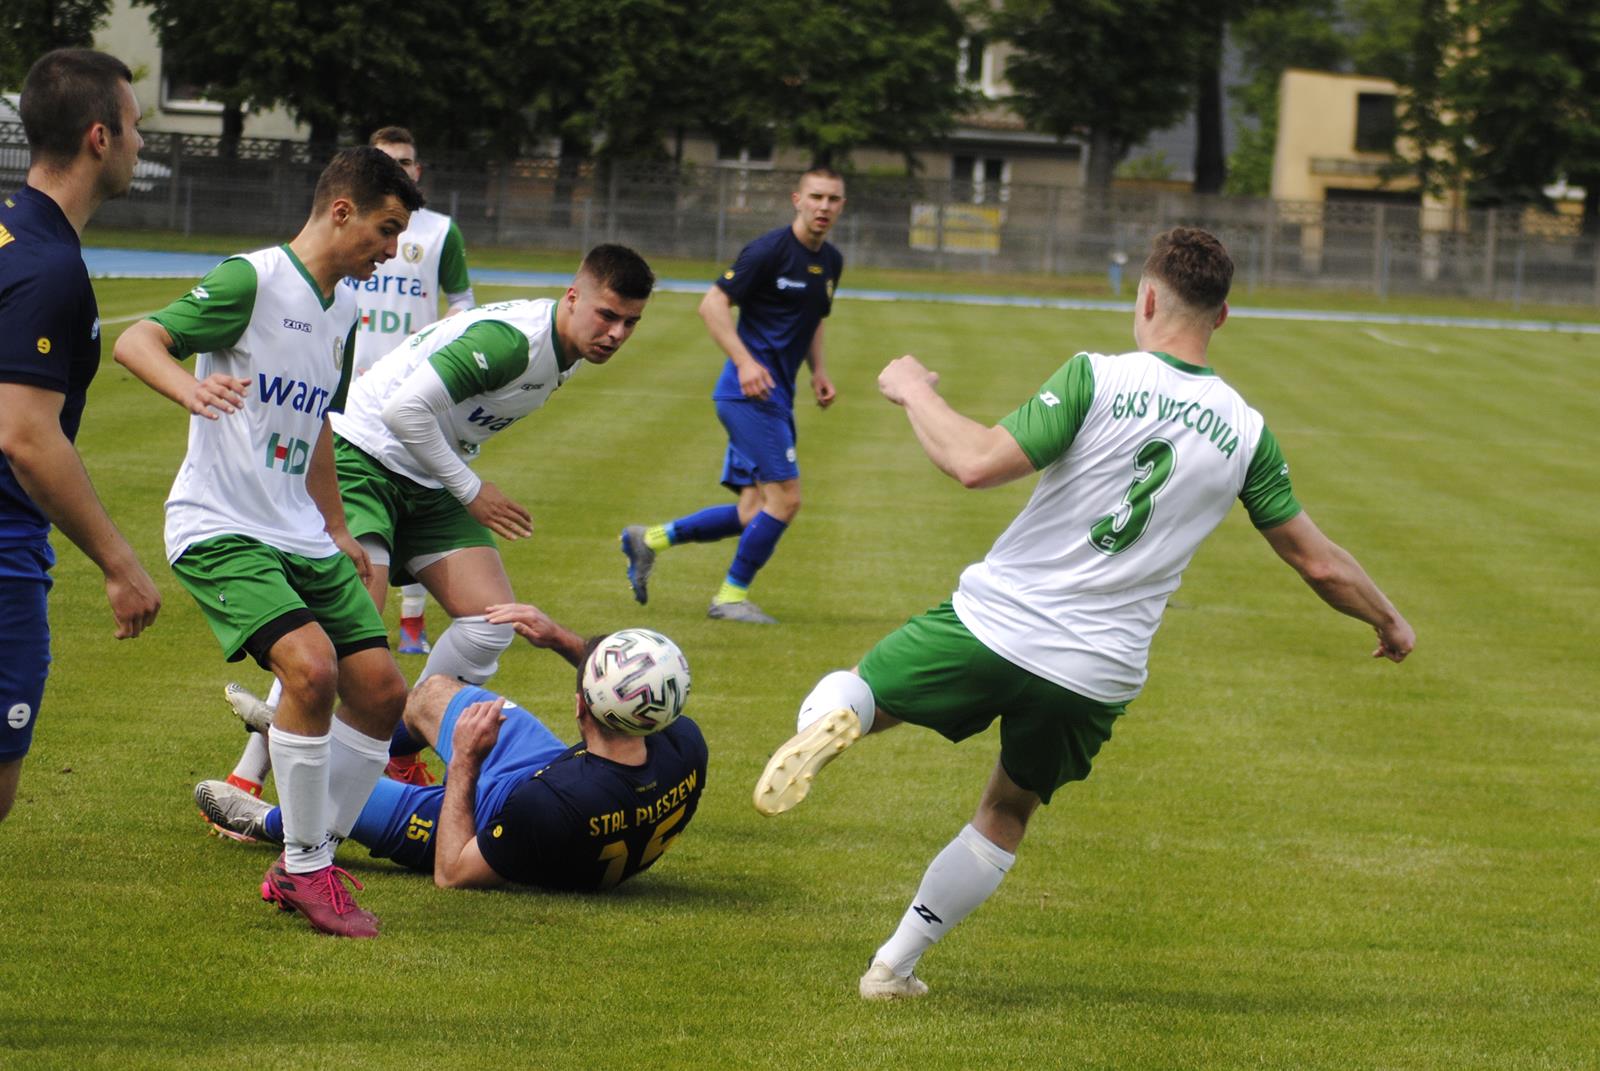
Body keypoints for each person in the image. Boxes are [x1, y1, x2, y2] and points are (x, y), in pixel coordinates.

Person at [750, 227, 1417, 999]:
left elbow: (973, 463)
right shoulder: (1247, 431)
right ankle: (893, 966)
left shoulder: (1096, 377)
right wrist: (1388, 619)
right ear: (1223, 316)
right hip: (1094, 671)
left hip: (995, 624)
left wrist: (911, 387)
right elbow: (1317, 559)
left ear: (1146, 297)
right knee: (1004, 810)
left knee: (861, 689)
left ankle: (839, 721)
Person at [113, 146, 426, 937]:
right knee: (312, 670)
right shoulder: (253, 279)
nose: (391, 251)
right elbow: (138, 340)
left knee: (384, 693)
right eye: (386, 230)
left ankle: (299, 859)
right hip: (219, 525)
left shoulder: (345, 312)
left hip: (298, 530)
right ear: (343, 210)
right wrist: (190, 384)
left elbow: (316, 422)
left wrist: (338, 525)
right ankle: (312, 872)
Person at [214, 244, 654, 798]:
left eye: (630, 323)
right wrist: (472, 490)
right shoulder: (514, 341)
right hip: (364, 456)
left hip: (426, 475)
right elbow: (404, 411)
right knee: (351, 636)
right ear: (573, 297)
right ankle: (246, 777)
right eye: (607, 315)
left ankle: (401, 744)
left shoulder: (564, 352)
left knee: (491, 622)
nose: (615, 333)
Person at [195, 604, 708, 892]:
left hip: (495, 823)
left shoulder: (547, 805)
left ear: (579, 707)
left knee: (337, 794)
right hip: (548, 776)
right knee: (433, 694)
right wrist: (560, 640)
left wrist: (464, 758)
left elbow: (453, 873)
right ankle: (334, 741)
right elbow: (636, 689)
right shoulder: (684, 744)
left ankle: (262, 817)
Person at [0, 49, 162, 824]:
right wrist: (120, 562)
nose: (140, 145)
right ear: (100, 137)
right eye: (134, 128)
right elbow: (27, 437)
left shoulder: (9, 236)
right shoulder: (48, 268)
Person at [621, 167, 845, 624]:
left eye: (833, 199)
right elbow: (713, 303)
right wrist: (744, 361)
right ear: (797, 199)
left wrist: (819, 370)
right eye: (816, 197)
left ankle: (650, 540)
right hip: (748, 396)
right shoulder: (768, 251)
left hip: (775, 397)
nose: (824, 206)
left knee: (752, 511)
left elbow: (814, 317)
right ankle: (729, 598)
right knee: (786, 500)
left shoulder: (832, 261)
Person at [351, 125, 476, 657]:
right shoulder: (350, 223)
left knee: (421, 500)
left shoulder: (441, 232)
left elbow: (463, 301)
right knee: (350, 509)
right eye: (387, 161)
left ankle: (410, 625)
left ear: (418, 169)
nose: (399, 169)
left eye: (406, 161)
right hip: (351, 389)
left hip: (414, 393)